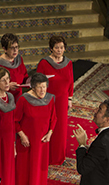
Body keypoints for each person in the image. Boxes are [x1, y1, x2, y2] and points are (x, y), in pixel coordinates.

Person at [14, 73, 57, 185]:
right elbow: (15, 120)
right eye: (39, 87)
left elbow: (54, 118)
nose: (43, 90)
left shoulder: (49, 99)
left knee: (40, 166)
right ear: (32, 87)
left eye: (44, 87)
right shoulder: (23, 100)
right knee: (25, 166)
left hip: (42, 140)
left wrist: (50, 133)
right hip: (27, 140)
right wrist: (22, 135)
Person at [37, 36, 74, 165]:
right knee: (47, 126)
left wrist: (69, 98)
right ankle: (46, 156)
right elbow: (37, 81)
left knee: (61, 128)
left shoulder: (68, 63)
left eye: (62, 47)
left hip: (62, 99)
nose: (59, 50)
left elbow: (70, 82)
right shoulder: (44, 63)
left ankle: (59, 157)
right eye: (57, 47)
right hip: (48, 98)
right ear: (51, 48)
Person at [0, 33, 28, 101]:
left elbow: (24, 76)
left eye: (16, 47)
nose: (15, 50)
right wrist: (7, 86)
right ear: (5, 49)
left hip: (18, 97)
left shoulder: (19, 59)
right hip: (4, 99)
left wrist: (30, 81)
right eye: (12, 48)